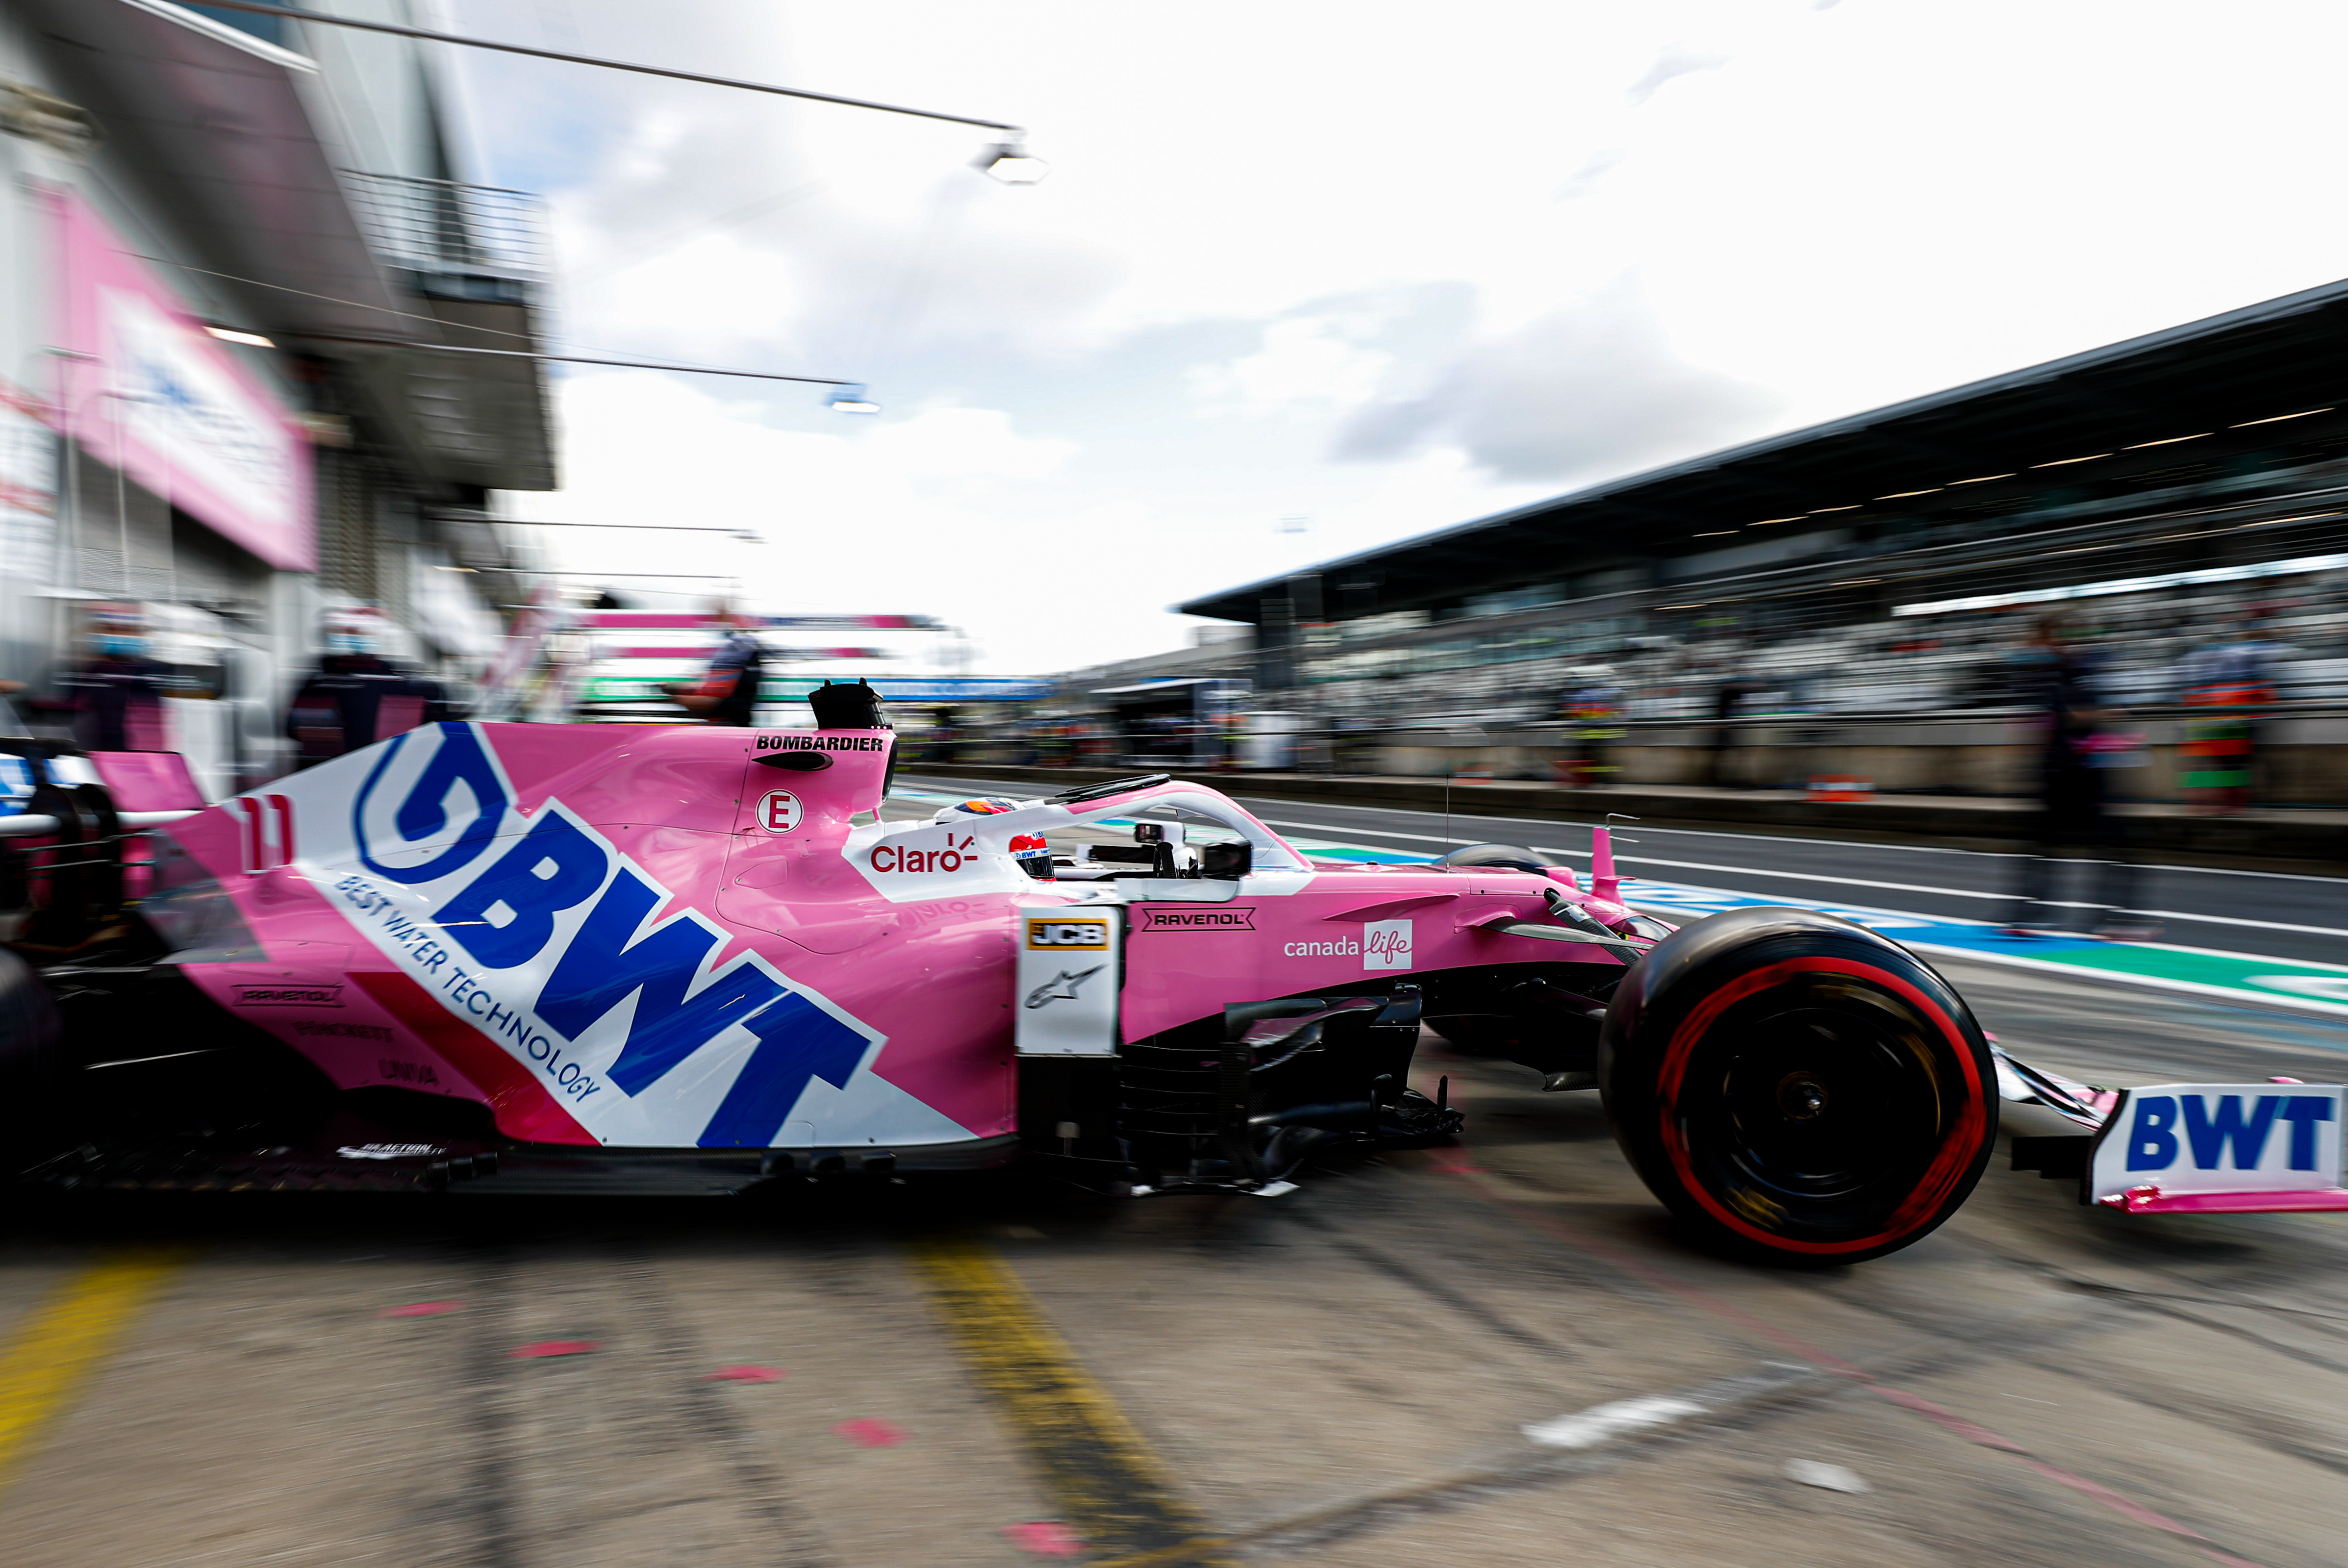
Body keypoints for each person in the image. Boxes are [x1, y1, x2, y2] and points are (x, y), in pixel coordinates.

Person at [2004, 612, 2154, 939]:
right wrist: (2116, 717)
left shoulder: (2053, 673)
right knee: (2112, 847)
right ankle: (2115, 920)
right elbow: (2077, 715)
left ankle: (2029, 916)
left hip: (2062, 770)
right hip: (2079, 773)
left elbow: (2048, 723)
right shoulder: (2071, 672)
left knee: (2046, 847)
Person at [285, 606, 455, 766]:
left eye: (359, 632)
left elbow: (297, 731)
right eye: (348, 632)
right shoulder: (324, 684)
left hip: (345, 772)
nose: (353, 638)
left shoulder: (323, 682)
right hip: (371, 770)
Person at [2176, 605, 2283, 815]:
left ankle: (2224, 802)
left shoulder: (2242, 662)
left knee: (2225, 762)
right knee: (2224, 762)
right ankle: (2223, 802)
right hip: (2221, 720)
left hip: (2226, 721)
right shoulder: (2237, 663)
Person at [58, 604, 176, 752]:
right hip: (97, 754)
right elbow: (66, 715)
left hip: (133, 755)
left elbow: (151, 732)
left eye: (126, 630)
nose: (119, 635)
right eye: (110, 629)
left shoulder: (147, 676)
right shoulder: (90, 673)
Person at [662, 607, 763, 726]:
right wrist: (679, 689)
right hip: (720, 721)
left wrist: (695, 700)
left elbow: (739, 704)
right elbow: (712, 688)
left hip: (731, 724)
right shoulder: (726, 651)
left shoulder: (742, 650)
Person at [1557, 665, 1625, 787]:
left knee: (1591, 757)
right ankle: (1599, 780)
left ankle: (1597, 780)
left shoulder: (1582, 694)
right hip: (1592, 730)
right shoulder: (1594, 692)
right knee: (1595, 757)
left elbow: (1576, 713)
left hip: (1590, 730)